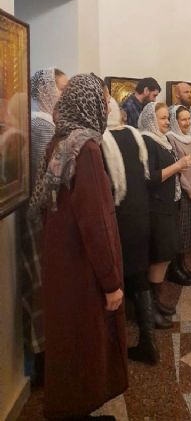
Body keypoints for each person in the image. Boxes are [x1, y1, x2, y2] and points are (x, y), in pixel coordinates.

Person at [29, 73, 127, 420]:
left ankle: (67, 407)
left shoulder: (61, 140)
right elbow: (95, 221)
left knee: (67, 340)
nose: (107, 106)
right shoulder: (85, 149)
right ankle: (74, 410)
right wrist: (111, 282)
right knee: (85, 342)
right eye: (103, 100)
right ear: (89, 104)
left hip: (61, 262)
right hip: (82, 268)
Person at [102, 97, 159, 364]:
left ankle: (114, 346)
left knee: (114, 281)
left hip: (119, 219)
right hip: (140, 215)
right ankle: (148, 341)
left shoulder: (100, 140)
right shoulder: (134, 134)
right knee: (139, 277)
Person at [21, 67, 68, 386]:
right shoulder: (40, 125)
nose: (63, 95)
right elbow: (46, 179)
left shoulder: (49, 123)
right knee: (42, 288)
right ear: (45, 90)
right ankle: (44, 361)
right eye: (60, 88)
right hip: (41, 220)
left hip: (48, 218)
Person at [139, 102, 191, 327]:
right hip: (156, 207)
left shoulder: (161, 140)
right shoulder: (147, 141)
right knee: (159, 255)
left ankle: (157, 301)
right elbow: (149, 178)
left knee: (166, 253)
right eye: (162, 118)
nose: (166, 122)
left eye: (166, 118)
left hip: (168, 204)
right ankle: (149, 309)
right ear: (151, 119)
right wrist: (178, 166)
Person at [167, 105, 191, 284]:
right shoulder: (171, 138)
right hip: (182, 190)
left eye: (189, 119)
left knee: (187, 231)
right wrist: (189, 189)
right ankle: (175, 269)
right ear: (175, 121)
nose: (187, 123)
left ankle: (183, 265)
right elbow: (177, 170)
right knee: (179, 231)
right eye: (183, 119)